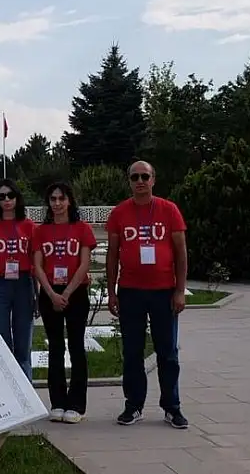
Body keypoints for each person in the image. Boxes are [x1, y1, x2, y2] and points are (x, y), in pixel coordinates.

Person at [106, 160, 189, 429]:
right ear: (129, 181)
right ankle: (134, 405)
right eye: (134, 177)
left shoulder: (169, 210)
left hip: (163, 292)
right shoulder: (120, 213)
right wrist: (111, 292)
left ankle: (172, 407)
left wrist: (180, 290)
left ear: (153, 180)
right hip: (130, 292)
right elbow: (112, 255)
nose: (140, 181)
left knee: (168, 352)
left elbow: (180, 253)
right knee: (132, 352)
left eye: (145, 176)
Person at [32, 182, 96, 424]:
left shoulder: (81, 229)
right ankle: (57, 402)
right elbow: (37, 265)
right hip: (50, 293)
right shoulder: (41, 231)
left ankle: (77, 404)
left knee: (76, 347)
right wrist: (51, 294)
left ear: (69, 200)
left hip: (75, 291)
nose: (57, 203)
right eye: (52, 199)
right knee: (55, 347)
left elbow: (84, 264)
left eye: (61, 198)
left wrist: (67, 294)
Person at [0, 178, 37, 379]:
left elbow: (36, 262)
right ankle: (7, 392)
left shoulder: (29, 226)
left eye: (10, 195)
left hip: (23, 283)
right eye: (1, 196)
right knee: (1, 341)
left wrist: (37, 293)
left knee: (23, 342)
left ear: (17, 197)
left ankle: (27, 392)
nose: (6, 200)